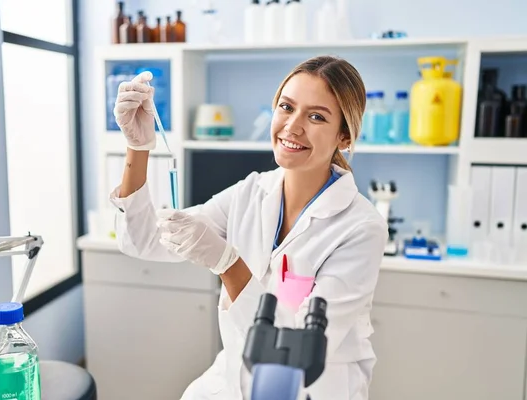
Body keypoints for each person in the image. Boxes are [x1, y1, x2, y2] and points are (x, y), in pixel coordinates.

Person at [110, 56, 388, 400]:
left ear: (344, 136)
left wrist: (228, 264)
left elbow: (299, 352)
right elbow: (145, 241)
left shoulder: (360, 228)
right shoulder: (251, 192)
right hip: (233, 378)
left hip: (310, 389)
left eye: (316, 116)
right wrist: (137, 149)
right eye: (286, 107)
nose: (293, 126)